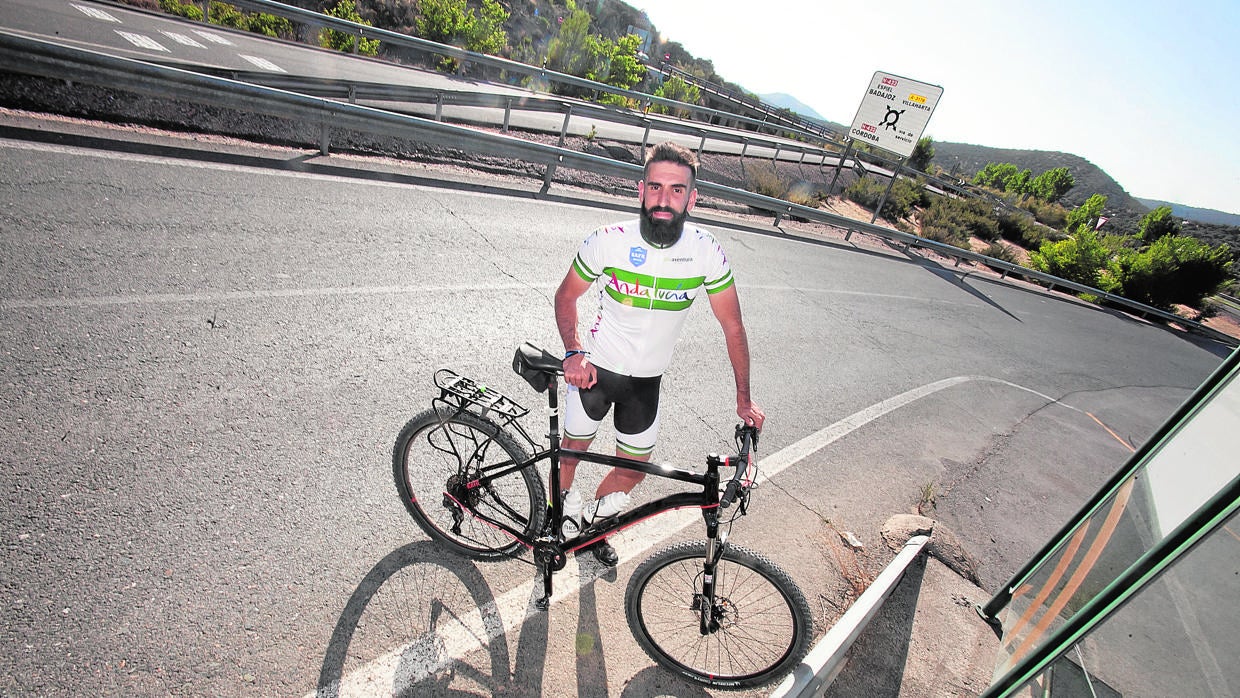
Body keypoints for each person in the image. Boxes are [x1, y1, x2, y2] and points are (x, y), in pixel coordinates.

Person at [553, 141, 765, 566]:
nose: (664, 199)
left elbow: (733, 326)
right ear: (641, 190)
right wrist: (574, 352)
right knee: (570, 452)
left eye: (676, 190)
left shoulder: (705, 250)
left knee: (634, 469)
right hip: (597, 371)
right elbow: (566, 296)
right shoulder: (608, 240)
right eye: (655, 188)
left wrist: (743, 398)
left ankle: (592, 525)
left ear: (692, 197)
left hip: (646, 384)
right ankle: (561, 513)